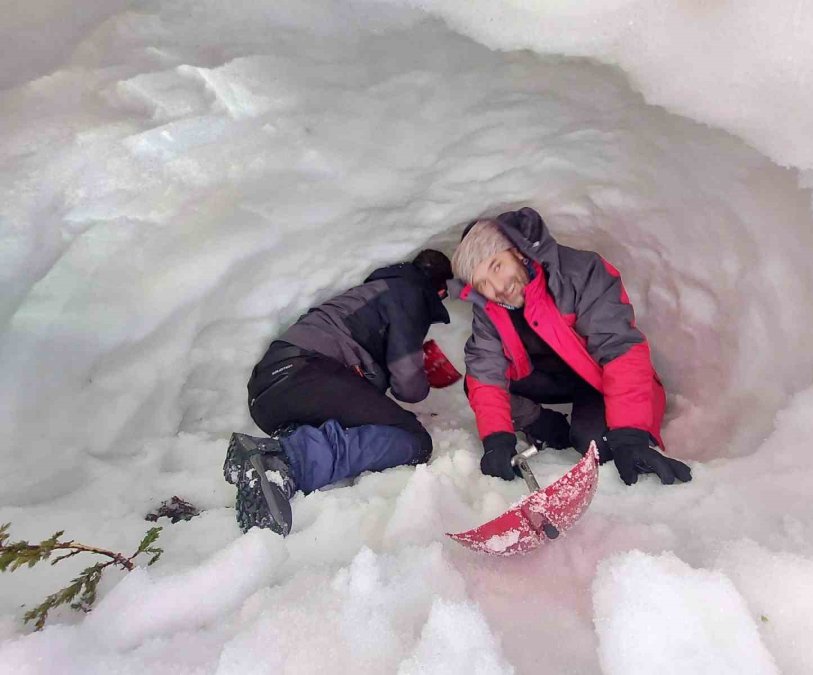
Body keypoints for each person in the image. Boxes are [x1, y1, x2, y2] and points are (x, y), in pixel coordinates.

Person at [451, 207, 691, 486]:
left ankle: (597, 420)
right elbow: (486, 371)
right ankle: (543, 423)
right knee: (476, 381)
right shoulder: (490, 309)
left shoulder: (581, 273)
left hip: (598, 376)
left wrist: (630, 435)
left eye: (497, 266)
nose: (498, 287)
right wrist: (497, 440)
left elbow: (620, 351)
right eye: (483, 283)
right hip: (550, 379)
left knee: (597, 446)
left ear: (517, 252)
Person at [224, 249, 453, 536]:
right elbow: (408, 384)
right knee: (414, 440)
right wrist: (421, 375)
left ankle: (289, 444)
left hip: (267, 395)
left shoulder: (374, 292)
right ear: (439, 290)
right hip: (305, 371)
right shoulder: (410, 292)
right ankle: (283, 461)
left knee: (356, 428)